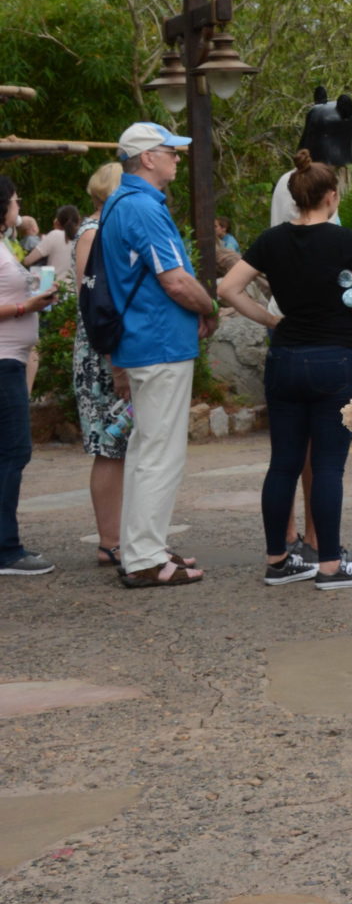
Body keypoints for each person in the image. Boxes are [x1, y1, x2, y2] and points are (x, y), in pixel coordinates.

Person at [217, 150, 352, 587]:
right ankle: (330, 565)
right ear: (331, 197)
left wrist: (270, 318)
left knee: (283, 463)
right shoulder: (344, 240)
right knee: (328, 465)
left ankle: (278, 560)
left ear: (295, 198)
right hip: (334, 358)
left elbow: (229, 288)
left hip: (286, 357)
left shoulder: (272, 240)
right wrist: (349, 304)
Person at [103, 122, 217, 588]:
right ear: (147, 158)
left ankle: (143, 547)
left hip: (141, 341)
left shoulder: (117, 204)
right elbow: (175, 279)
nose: (177, 158)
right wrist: (210, 307)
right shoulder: (145, 208)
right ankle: (145, 558)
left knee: (145, 449)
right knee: (159, 453)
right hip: (160, 342)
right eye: (170, 151)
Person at [0, 175, 61, 576]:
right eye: (16, 201)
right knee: (14, 451)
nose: (19, 207)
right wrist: (27, 307)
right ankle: (7, 548)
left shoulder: (6, 244)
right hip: (3, 360)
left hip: (12, 357)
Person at [72, 162, 131, 566]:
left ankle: (123, 534)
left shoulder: (106, 230)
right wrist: (114, 361)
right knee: (109, 445)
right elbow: (93, 301)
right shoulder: (92, 233)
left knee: (121, 444)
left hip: (113, 349)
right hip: (101, 354)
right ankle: (110, 538)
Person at [25, 206, 81, 286]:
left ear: (57, 222)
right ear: (78, 220)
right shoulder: (83, 237)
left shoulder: (55, 235)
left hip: (53, 290)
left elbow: (27, 261)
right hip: (75, 292)